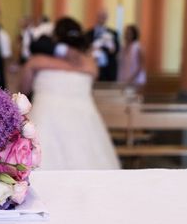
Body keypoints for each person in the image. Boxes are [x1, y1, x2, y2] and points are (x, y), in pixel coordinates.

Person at [22, 17, 120, 170]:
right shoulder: (90, 65)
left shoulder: (37, 62)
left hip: (46, 117)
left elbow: (23, 89)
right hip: (84, 121)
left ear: (55, 38)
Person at [86, 9, 120, 82]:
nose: (101, 18)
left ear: (106, 18)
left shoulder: (113, 33)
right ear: (96, 17)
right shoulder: (88, 33)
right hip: (92, 68)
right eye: (100, 16)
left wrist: (107, 49)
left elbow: (116, 50)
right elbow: (85, 49)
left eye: (104, 16)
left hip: (108, 71)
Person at [118, 25, 146, 89]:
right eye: (126, 33)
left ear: (134, 35)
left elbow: (141, 66)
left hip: (136, 79)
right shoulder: (122, 47)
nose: (127, 35)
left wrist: (131, 78)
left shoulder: (138, 47)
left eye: (129, 33)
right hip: (124, 77)